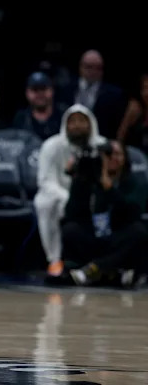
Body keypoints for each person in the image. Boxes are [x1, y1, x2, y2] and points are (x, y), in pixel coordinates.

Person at [61, 140, 148, 286]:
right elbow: (71, 213)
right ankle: (109, 271)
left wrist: (109, 189)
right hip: (93, 237)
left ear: (125, 158)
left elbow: (133, 213)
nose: (112, 157)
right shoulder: (87, 179)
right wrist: (80, 181)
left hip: (117, 238)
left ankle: (94, 269)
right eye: (107, 154)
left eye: (117, 154)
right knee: (70, 229)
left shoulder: (134, 182)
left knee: (139, 231)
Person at [34, 105, 105, 279]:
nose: (77, 126)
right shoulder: (51, 146)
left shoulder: (102, 146)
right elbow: (45, 181)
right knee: (44, 202)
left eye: (82, 121)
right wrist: (68, 197)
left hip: (94, 197)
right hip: (60, 196)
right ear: (65, 124)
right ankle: (55, 259)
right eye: (73, 122)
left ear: (91, 124)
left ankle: (103, 262)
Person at [12, 72, 62, 140]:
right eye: (35, 90)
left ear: (52, 90)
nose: (40, 94)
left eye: (43, 89)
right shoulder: (21, 118)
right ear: (27, 93)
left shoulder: (63, 114)